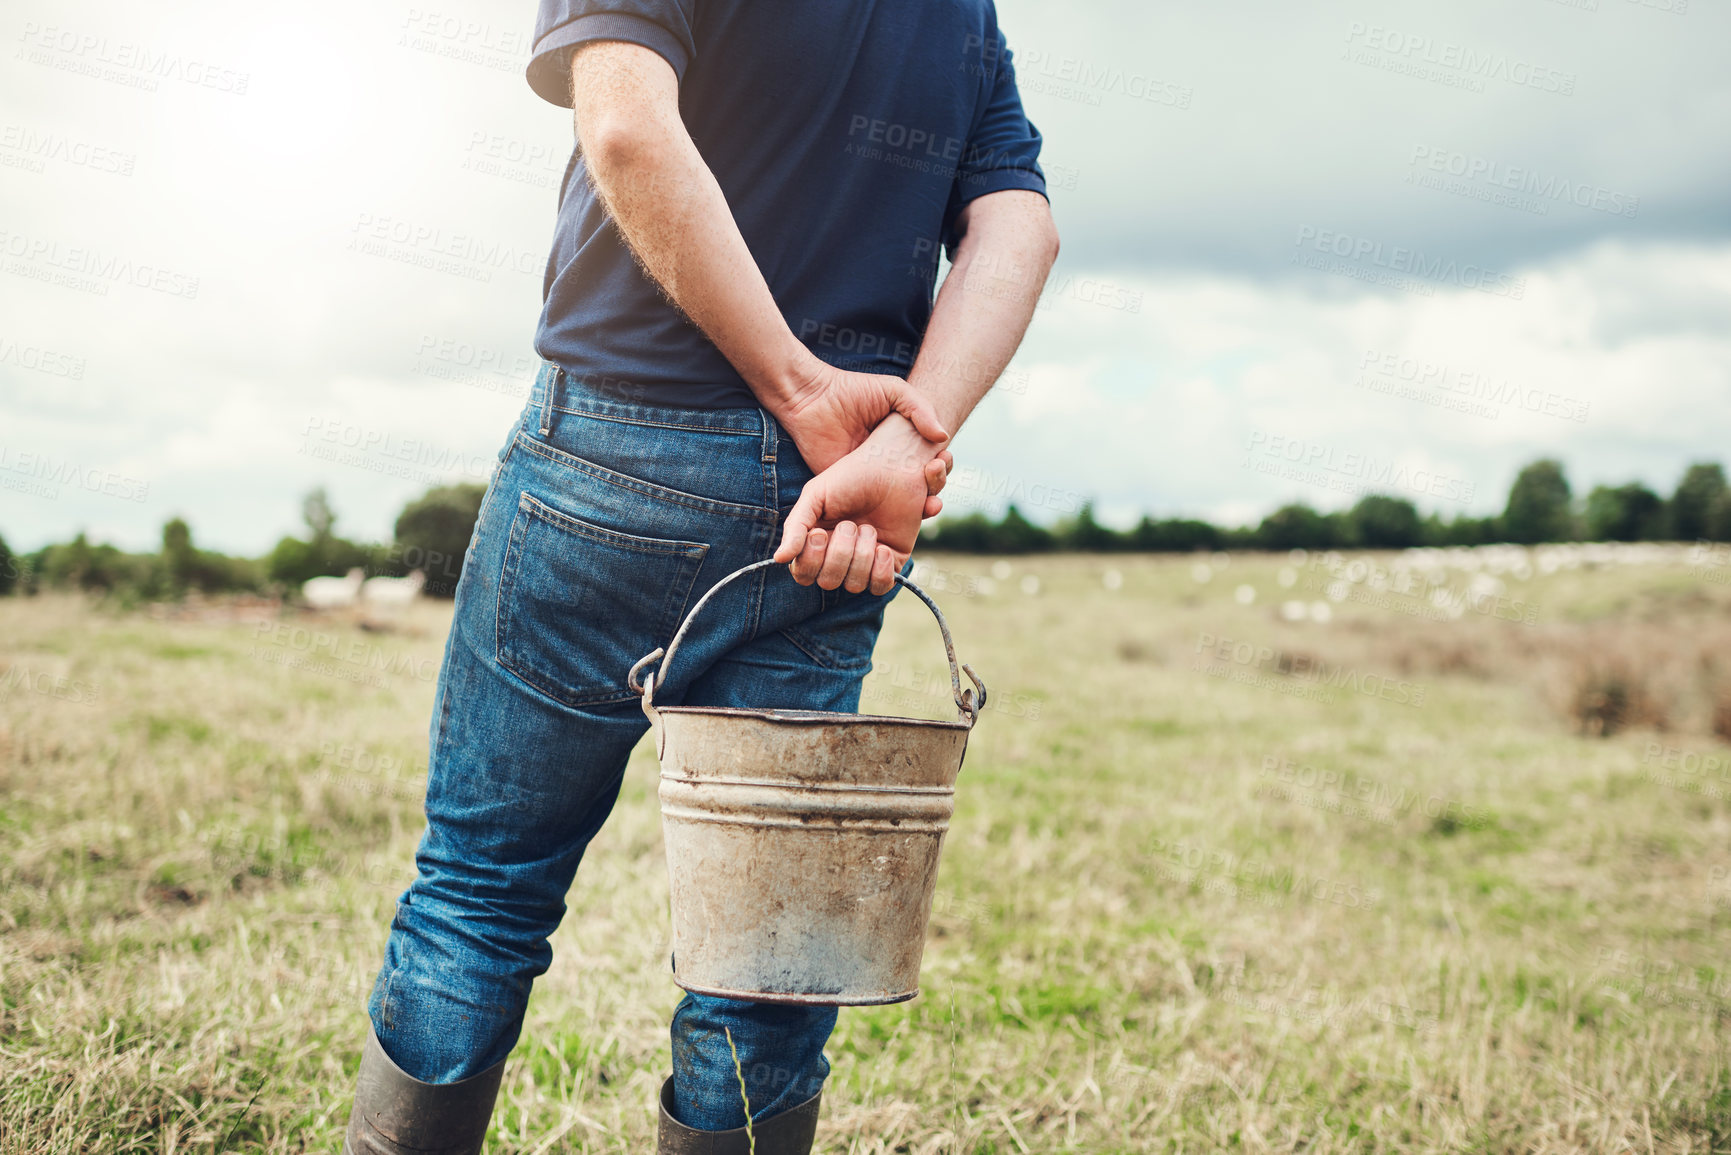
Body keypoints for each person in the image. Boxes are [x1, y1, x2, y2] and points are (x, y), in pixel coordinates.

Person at [341, 1, 1058, 1151]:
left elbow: (623, 124)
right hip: (832, 510)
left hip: (615, 453)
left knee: (480, 891)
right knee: (769, 960)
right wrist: (907, 439)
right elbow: (1019, 224)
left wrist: (800, 389)